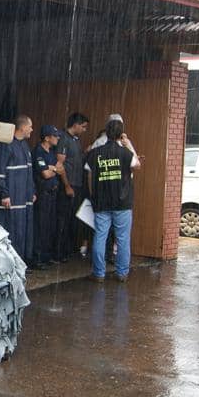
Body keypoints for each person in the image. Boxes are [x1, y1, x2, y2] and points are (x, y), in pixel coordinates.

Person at [85, 118, 141, 282]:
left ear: (106, 133)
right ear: (120, 134)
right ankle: (122, 273)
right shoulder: (125, 153)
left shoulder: (95, 153)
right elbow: (137, 165)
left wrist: (92, 194)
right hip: (122, 202)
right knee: (123, 238)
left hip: (101, 201)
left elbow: (89, 173)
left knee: (100, 237)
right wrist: (128, 144)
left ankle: (99, 273)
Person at [0, 114, 36, 264]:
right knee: (11, 232)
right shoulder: (6, 145)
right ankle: (7, 265)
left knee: (21, 233)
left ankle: (19, 264)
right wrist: (4, 194)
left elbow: (29, 172)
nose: (32, 130)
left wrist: (32, 191)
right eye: (30, 126)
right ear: (22, 127)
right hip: (11, 200)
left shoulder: (24, 146)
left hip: (23, 200)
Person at [55, 112, 90, 260]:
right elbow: (60, 164)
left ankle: (69, 250)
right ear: (75, 125)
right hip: (67, 186)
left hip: (77, 185)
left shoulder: (76, 140)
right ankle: (58, 252)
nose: (84, 130)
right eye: (83, 127)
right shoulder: (63, 138)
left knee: (72, 220)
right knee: (62, 220)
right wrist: (67, 186)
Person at [33, 125, 65, 268]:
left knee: (49, 226)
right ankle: (37, 258)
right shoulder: (39, 152)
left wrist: (52, 168)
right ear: (47, 137)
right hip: (43, 194)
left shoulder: (51, 152)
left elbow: (60, 168)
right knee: (40, 226)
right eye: (54, 135)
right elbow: (45, 174)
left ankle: (46, 256)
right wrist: (53, 169)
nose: (57, 138)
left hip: (53, 192)